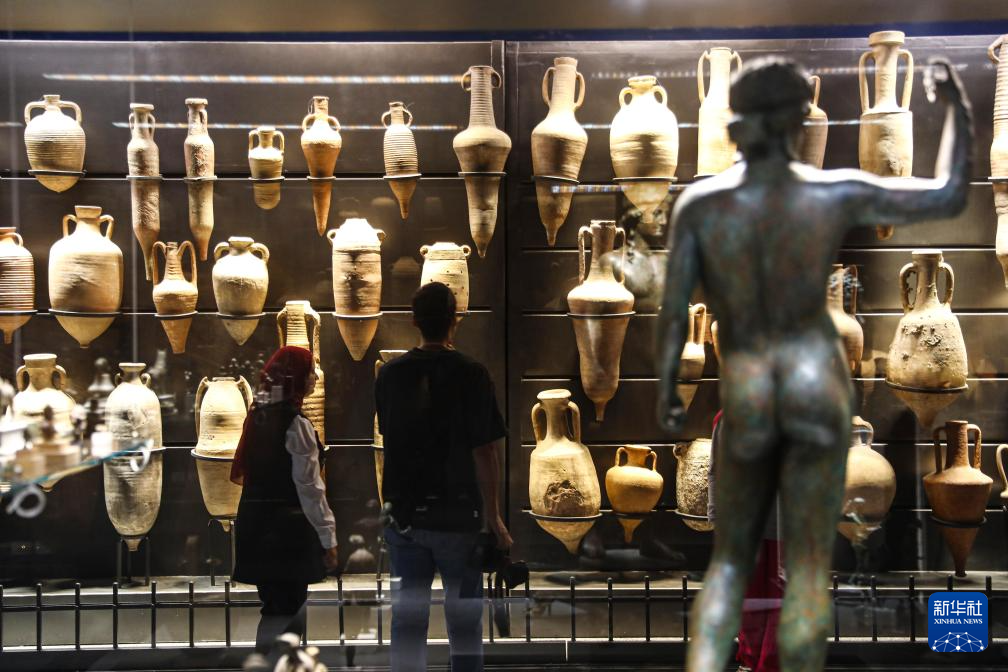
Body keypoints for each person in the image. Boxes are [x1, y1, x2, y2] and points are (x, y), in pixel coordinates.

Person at [656, 57, 971, 672]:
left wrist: (670, 384)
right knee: (789, 568)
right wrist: (956, 111)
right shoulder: (821, 193)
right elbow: (949, 193)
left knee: (743, 565)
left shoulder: (709, 200)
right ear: (798, 122)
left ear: (741, 123)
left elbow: (675, 311)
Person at [376, 282, 513, 672]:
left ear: (414, 321)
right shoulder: (473, 374)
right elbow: (485, 451)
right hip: (459, 517)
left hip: (405, 516)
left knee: (407, 622)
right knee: (466, 624)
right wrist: (494, 517)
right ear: (456, 319)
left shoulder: (390, 375)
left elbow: (390, 438)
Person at [230, 346, 340, 654]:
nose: (314, 377)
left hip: (257, 528)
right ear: (296, 378)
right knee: (288, 613)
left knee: (273, 610)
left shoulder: (258, 416)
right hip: (286, 535)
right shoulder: (296, 424)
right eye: (310, 371)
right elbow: (310, 488)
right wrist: (328, 537)